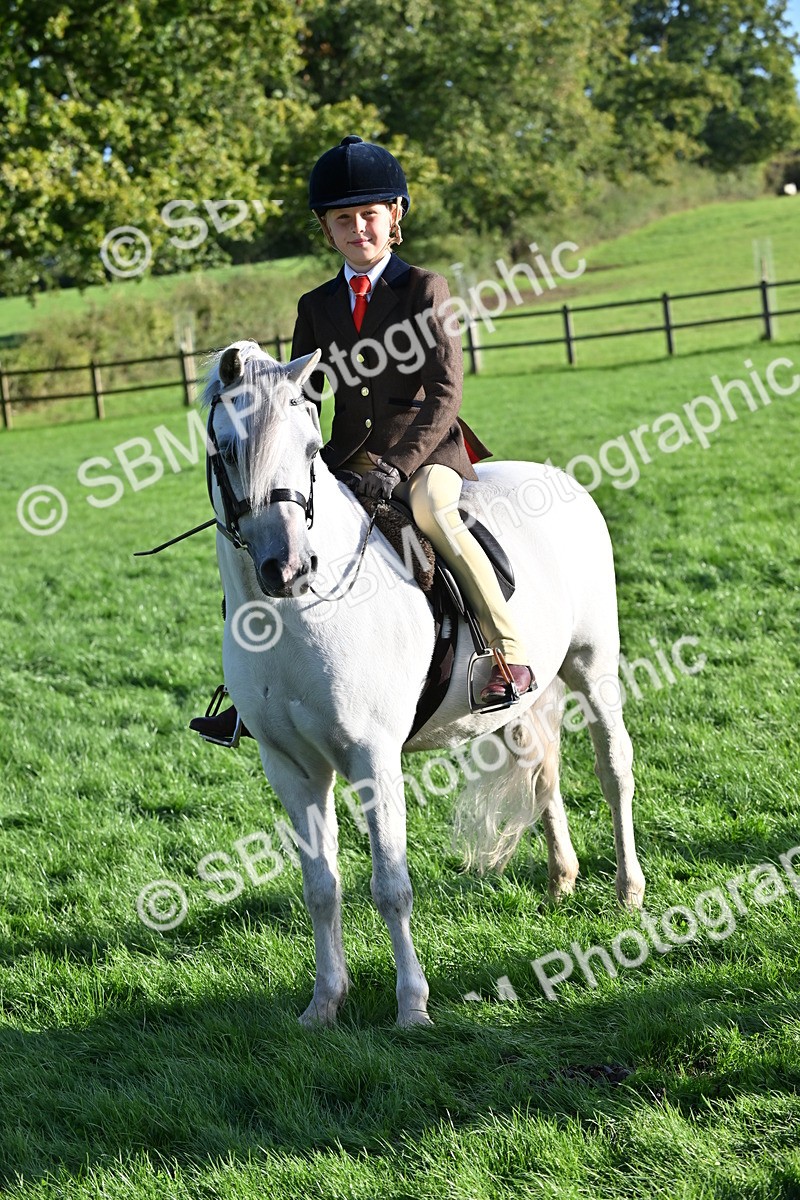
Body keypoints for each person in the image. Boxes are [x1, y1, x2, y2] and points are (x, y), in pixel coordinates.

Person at [191, 135, 533, 746]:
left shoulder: (425, 289)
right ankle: (248, 691)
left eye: (368, 215)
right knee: (262, 529)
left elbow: (446, 392)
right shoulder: (315, 305)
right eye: (343, 219)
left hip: (426, 455)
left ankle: (506, 654)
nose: (358, 229)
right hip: (346, 460)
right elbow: (302, 393)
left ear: (394, 216)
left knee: (433, 513)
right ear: (327, 230)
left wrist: (398, 466)